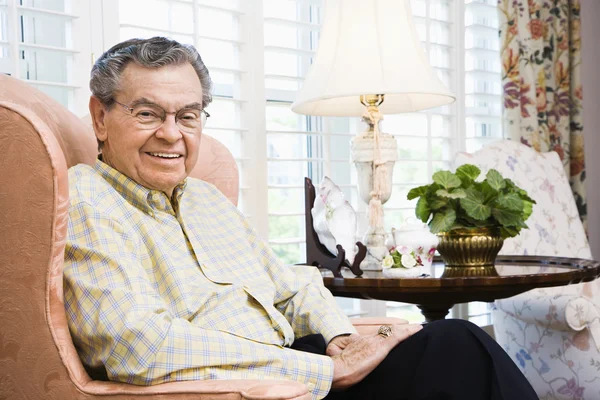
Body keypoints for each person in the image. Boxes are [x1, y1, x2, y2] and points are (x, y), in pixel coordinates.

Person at [63, 36, 538, 400]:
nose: (172, 135)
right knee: (458, 350)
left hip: (298, 362)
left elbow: (293, 285)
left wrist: (340, 337)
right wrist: (324, 370)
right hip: (253, 386)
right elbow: (136, 344)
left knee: (456, 344)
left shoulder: (204, 198)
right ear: (100, 118)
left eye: (188, 116)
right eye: (148, 114)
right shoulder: (88, 198)